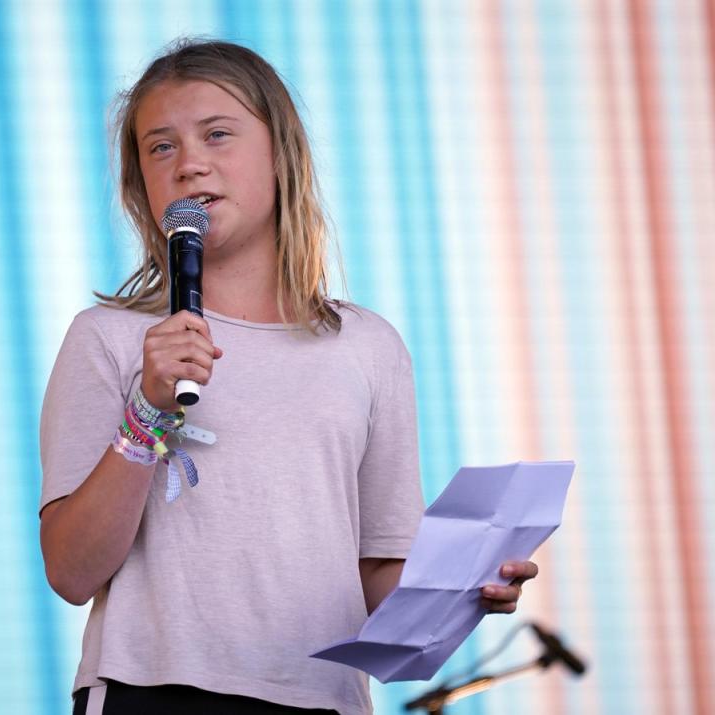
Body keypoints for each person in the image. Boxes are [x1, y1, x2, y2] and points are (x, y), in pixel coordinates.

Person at [39, 39, 538, 715]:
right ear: (141, 185)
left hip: (322, 699)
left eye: (217, 134)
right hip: (150, 693)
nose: (189, 163)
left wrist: (463, 592)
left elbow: (376, 573)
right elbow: (71, 570)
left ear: (282, 153)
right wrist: (145, 412)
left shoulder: (367, 347)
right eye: (161, 147)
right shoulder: (112, 339)